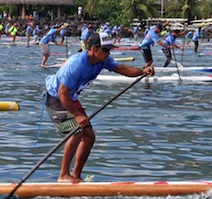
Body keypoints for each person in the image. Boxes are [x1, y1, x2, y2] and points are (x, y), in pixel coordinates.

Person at [44, 32, 154, 183]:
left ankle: (75, 176)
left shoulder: (103, 60)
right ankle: (63, 175)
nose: (108, 53)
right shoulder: (76, 64)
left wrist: (142, 71)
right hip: (56, 98)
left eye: (109, 50)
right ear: (94, 49)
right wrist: (77, 115)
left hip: (72, 98)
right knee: (77, 131)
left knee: (89, 136)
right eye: (105, 50)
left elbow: (122, 69)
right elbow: (62, 93)